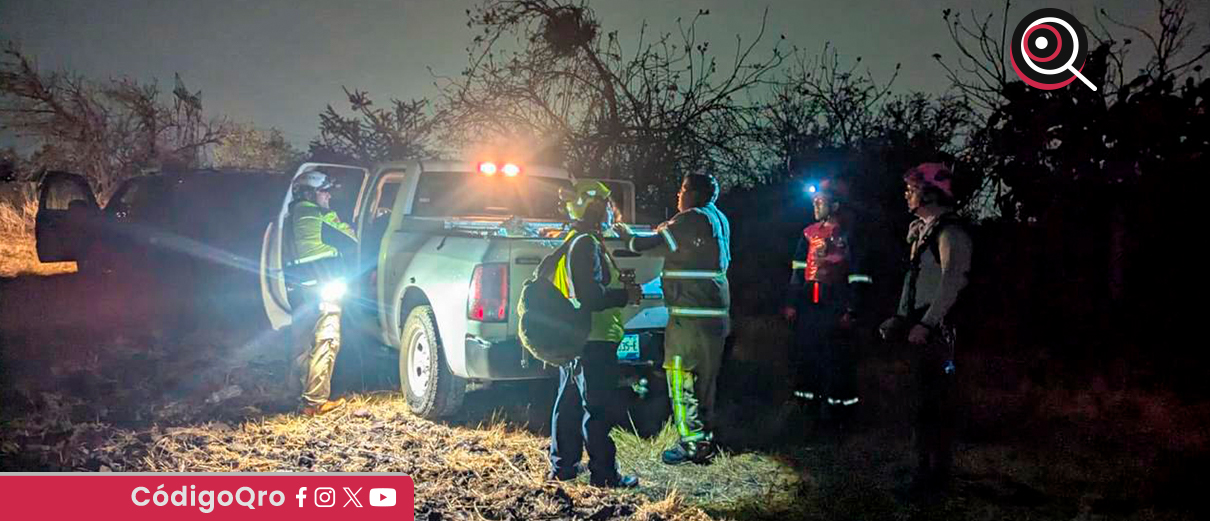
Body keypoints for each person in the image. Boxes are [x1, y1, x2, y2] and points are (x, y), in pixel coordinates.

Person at [616, 172, 731, 465]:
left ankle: (691, 445)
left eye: (682, 189)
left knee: (681, 378)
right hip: (715, 315)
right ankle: (705, 439)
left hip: (689, 317)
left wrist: (623, 233)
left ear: (694, 193)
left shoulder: (690, 219)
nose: (678, 195)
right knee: (706, 382)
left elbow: (646, 245)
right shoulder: (718, 218)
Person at [879, 162, 973, 497]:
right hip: (922, 325)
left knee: (935, 404)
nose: (907, 194)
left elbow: (953, 282)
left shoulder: (951, 233)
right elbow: (914, 279)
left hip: (940, 330)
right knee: (920, 402)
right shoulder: (921, 231)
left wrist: (927, 323)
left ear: (931, 193)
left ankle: (935, 478)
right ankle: (922, 470)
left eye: (913, 189)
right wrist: (900, 317)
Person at [548, 180, 642, 488]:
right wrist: (624, 295)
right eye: (607, 206)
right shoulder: (586, 244)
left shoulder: (571, 240)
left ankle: (563, 468)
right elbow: (590, 295)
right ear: (595, 208)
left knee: (568, 405)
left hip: (575, 337)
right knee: (597, 409)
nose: (611, 212)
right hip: (594, 338)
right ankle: (604, 474)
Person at [782, 178, 871, 422]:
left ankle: (839, 415)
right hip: (809, 301)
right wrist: (792, 302)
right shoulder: (808, 233)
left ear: (835, 205)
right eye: (814, 201)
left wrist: (852, 309)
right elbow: (798, 270)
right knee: (807, 355)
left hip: (836, 301)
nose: (815, 205)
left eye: (819, 201)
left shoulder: (850, 235)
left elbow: (858, 274)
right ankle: (806, 408)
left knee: (837, 359)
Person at [285, 170, 358, 417]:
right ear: (309, 193)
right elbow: (352, 239)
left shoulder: (292, 217)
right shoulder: (319, 216)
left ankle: (294, 394)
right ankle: (315, 402)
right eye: (323, 191)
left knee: (301, 342)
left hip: (299, 288)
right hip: (323, 289)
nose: (328, 195)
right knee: (327, 339)